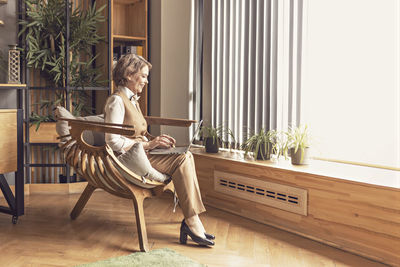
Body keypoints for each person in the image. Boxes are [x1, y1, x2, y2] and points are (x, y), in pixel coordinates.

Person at [104, 53, 215, 246]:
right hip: (128, 160)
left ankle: (192, 220)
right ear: (129, 74)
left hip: (143, 154)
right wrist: (149, 145)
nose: (146, 81)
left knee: (185, 155)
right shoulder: (117, 101)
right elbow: (112, 141)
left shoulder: (132, 100)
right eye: (144, 76)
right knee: (183, 158)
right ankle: (192, 221)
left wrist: (157, 140)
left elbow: (138, 133)